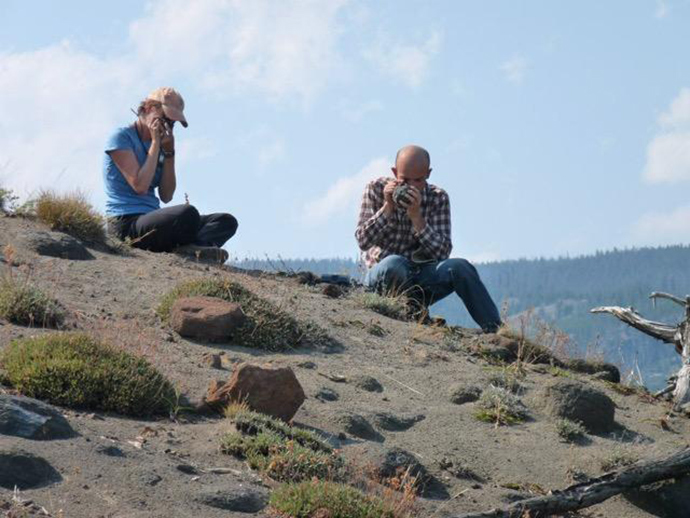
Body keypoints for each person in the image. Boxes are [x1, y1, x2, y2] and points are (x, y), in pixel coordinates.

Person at [355, 145, 501, 332]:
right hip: (383, 277)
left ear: (428, 174)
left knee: (461, 267)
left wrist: (417, 218)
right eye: (404, 180)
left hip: (420, 280)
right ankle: (412, 312)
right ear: (394, 172)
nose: (411, 186)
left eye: (418, 180)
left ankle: (496, 331)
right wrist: (388, 207)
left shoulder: (437, 198)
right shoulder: (375, 189)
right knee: (395, 263)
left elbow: (442, 252)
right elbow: (362, 240)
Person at [103, 87, 237, 261]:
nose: (168, 126)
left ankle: (193, 249)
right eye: (166, 119)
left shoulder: (160, 147)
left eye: (172, 123)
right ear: (150, 109)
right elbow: (140, 186)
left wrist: (169, 152)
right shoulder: (121, 137)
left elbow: (166, 195)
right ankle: (191, 248)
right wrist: (155, 144)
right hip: (126, 224)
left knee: (225, 221)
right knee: (187, 214)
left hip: (152, 219)